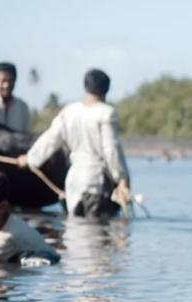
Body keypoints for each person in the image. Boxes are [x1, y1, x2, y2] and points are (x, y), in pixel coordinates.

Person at [17, 68, 131, 218]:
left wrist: (30, 159)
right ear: (106, 89)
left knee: (75, 233)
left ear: (85, 87)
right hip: (96, 181)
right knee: (97, 231)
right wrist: (122, 179)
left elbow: (50, 139)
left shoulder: (70, 111)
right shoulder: (107, 113)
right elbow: (111, 150)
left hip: (73, 182)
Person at [0, 168, 60, 265]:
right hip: (12, 256)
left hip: (46, 259)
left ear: (2, 207)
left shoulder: (11, 235)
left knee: (25, 262)